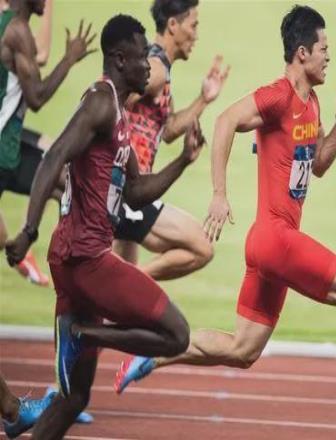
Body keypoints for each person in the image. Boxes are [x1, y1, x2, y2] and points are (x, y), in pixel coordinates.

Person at [114, 5, 336, 433]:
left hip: (273, 245)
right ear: (302, 53)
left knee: (242, 350)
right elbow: (225, 121)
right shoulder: (277, 96)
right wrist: (219, 194)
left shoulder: (312, 103)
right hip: (274, 238)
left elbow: (319, 165)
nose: (329, 56)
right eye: (323, 49)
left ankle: (152, 353)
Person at [6, 13, 205, 439]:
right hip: (86, 259)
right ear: (119, 59)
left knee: (74, 398)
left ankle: (84, 335)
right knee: (177, 335)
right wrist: (28, 230)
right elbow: (52, 157)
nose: (149, 66)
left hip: (78, 259)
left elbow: (135, 192)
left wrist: (183, 161)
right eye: (142, 57)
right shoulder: (99, 101)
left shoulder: (118, 114)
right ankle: (84, 334)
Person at [113, 0, 229, 281]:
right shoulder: (155, 68)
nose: (196, 35)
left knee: (115, 298)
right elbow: (112, 99)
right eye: (193, 25)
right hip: (125, 187)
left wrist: (203, 100)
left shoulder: (158, 65)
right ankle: (132, 280)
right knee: (202, 247)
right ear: (173, 25)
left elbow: (166, 130)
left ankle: (126, 282)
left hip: (132, 189)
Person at [0, 0, 94, 286]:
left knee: (62, 180)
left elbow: (35, 58)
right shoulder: (17, 30)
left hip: (9, 147)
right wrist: (69, 58)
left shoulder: (9, 24)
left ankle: (72, 267)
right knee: (64, 180)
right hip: (3, 152)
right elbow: (37, 97)